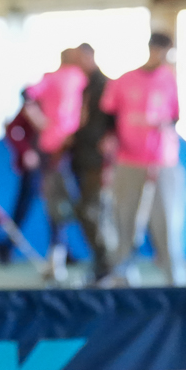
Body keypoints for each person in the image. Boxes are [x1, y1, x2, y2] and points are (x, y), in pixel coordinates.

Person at [99, 32, 186, 286]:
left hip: (163, 161)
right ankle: (122, 275)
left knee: (166, 222)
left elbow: (175, 116)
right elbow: (108, 115)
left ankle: (174, 279)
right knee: (124, 219)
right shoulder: (124, 80)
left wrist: (163, 125)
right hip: (128, 159)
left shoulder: (170, 79)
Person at [24, 48, 88, 280]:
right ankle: (58, 258)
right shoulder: (70, 77)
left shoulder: (60, 78)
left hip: (68, 149)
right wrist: (44, 124)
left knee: (60, 204)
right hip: (58, 150)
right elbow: (27, 97)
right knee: (62, 203)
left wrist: (42, 123)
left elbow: (26, 96)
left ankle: (60, 257)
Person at [68, 42, 117, 283]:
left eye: (79, 58)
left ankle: (109, 264)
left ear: (90, 57)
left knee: (93, 211)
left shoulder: (105, 85)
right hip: (82, 157)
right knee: (86, 211)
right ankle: (104, 264)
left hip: (98, 161)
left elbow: (110, 123)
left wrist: (109, 147)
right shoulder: (84, 86)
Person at [0, 92, 44, 263]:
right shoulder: (31, 106)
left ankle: (62, 250)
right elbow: (12, 129)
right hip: (34, 167)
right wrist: (25, 151)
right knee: (23, 208)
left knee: (57, 208)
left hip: (54, 162)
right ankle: (6, 246)